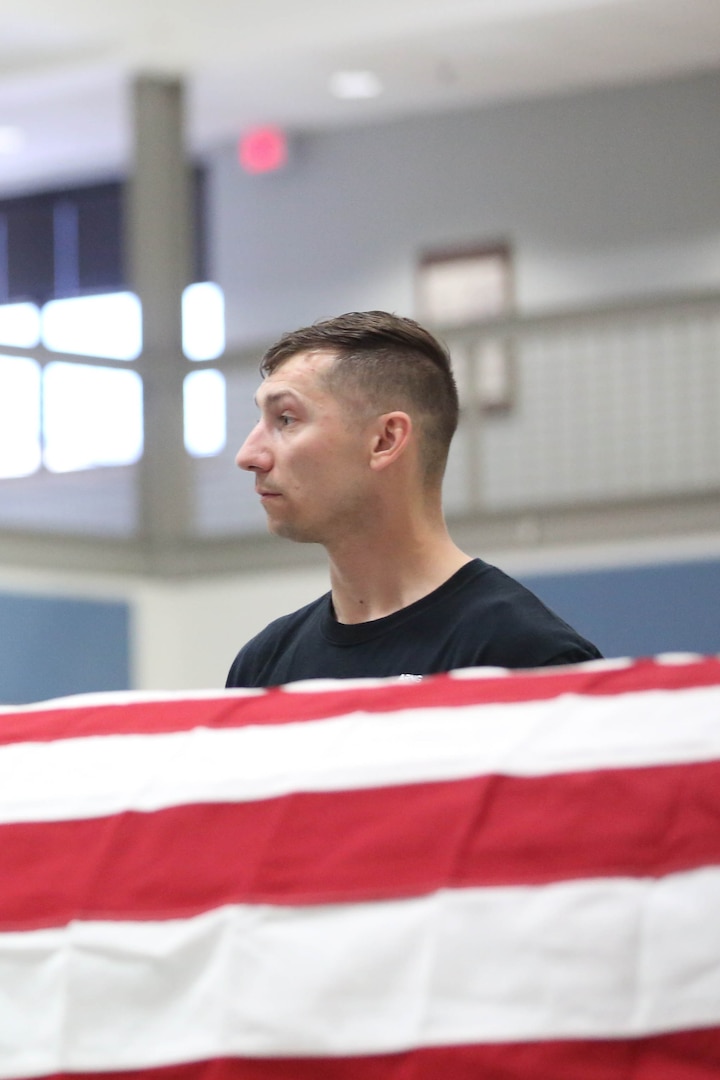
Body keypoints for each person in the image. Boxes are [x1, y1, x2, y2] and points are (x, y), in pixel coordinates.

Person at [226, 311, 602, 688]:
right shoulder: (263, 665)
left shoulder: (527, 657)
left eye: (286, 419)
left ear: (385, 440)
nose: (248, 455)